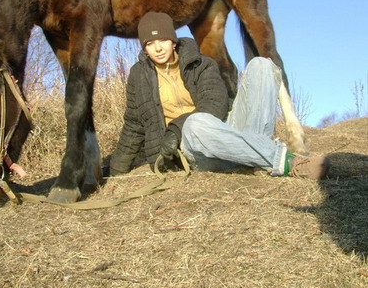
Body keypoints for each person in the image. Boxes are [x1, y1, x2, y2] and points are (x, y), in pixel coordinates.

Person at [109, 11, 329, 179]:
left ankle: (255, 156)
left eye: (163, 40)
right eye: (150, 43)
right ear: (144, 48)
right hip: (196, 151)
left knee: (262, 65)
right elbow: (133, 126)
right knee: (194, 126)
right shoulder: (138, 76)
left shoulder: (201, 63)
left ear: (173, 41)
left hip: (224, 131)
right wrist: (114, 172)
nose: (157, 48)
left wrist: (176, 128)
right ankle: (287, 162)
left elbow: (215, 104)